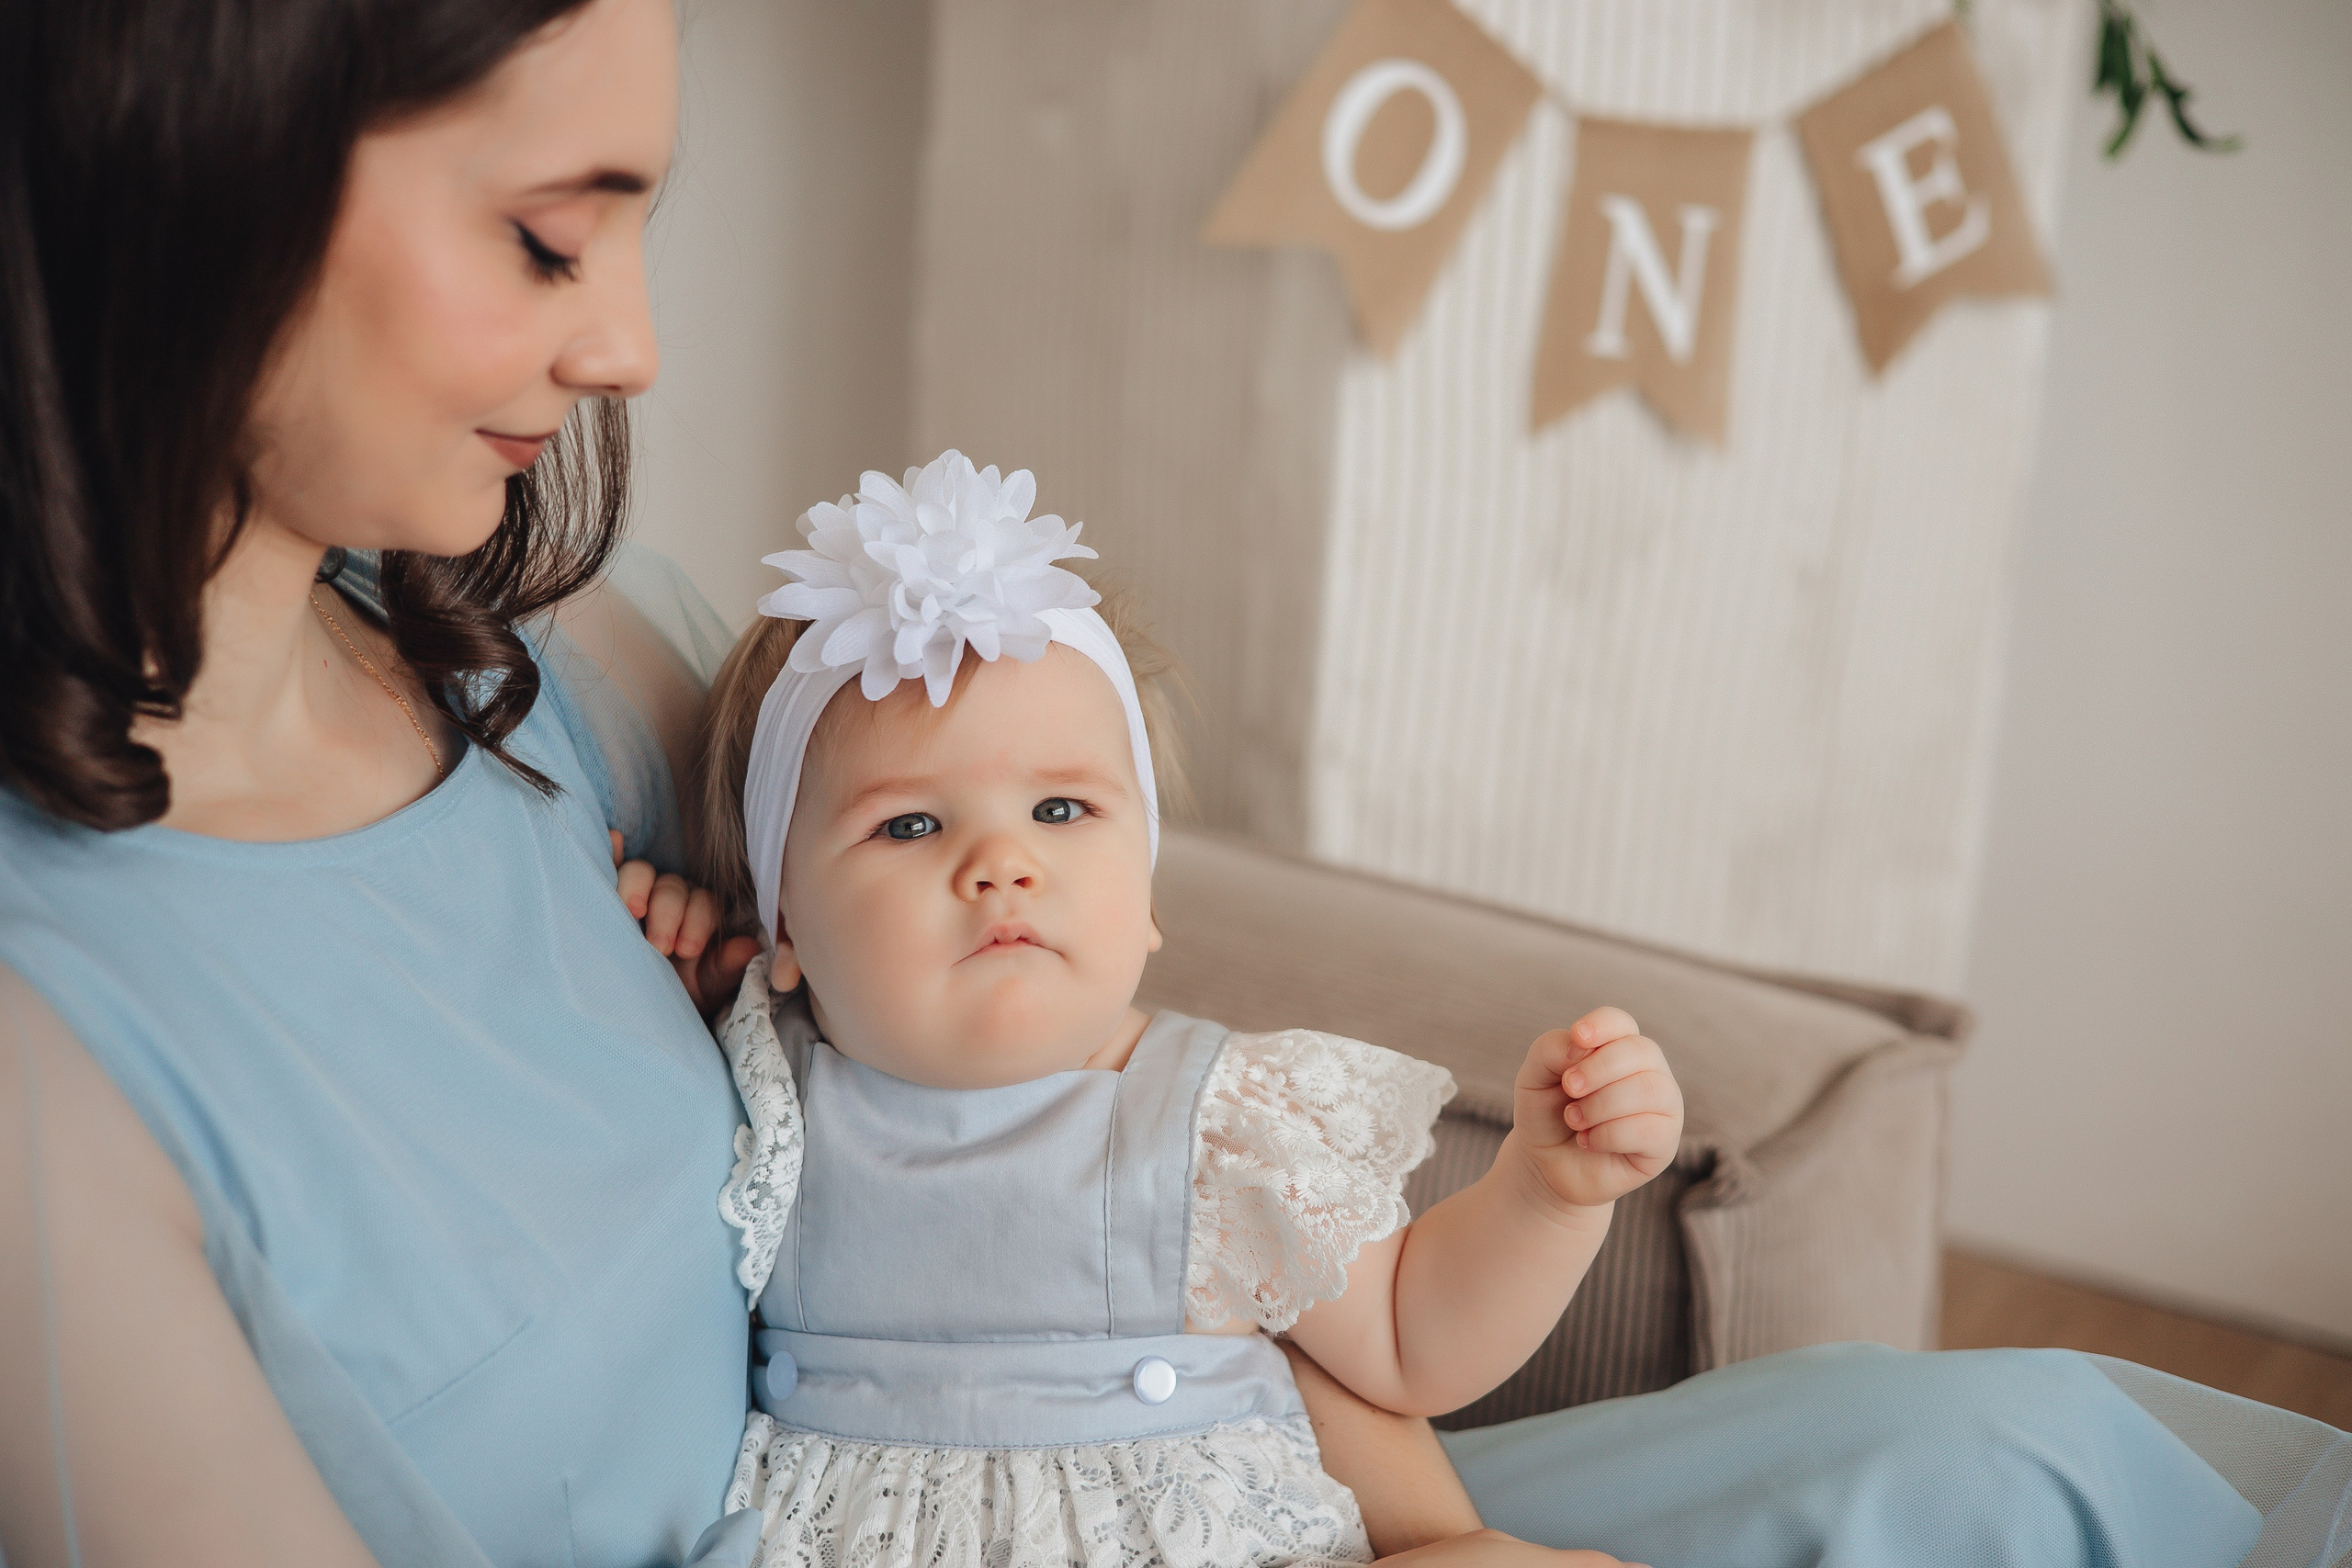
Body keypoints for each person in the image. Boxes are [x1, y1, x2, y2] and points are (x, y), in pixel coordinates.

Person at [0, 1, 2271, 1565]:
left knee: (2023, 1451)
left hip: (1227, 1502)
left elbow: (1072, 1097)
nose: (631, 347)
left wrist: (1412, 1515)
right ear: (184, 165)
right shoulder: (57, 1075)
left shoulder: (553, 665)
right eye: (544, 232)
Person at [684, 452, 1686, 1565]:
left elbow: (1411, 1338)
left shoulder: (1219, 1125)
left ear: (1148, 896)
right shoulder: (762, 1094)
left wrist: (1546, 1195)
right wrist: (664, 929)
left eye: (1060, 809)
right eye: (910, 825)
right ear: (784, 926)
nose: (1002, 863)